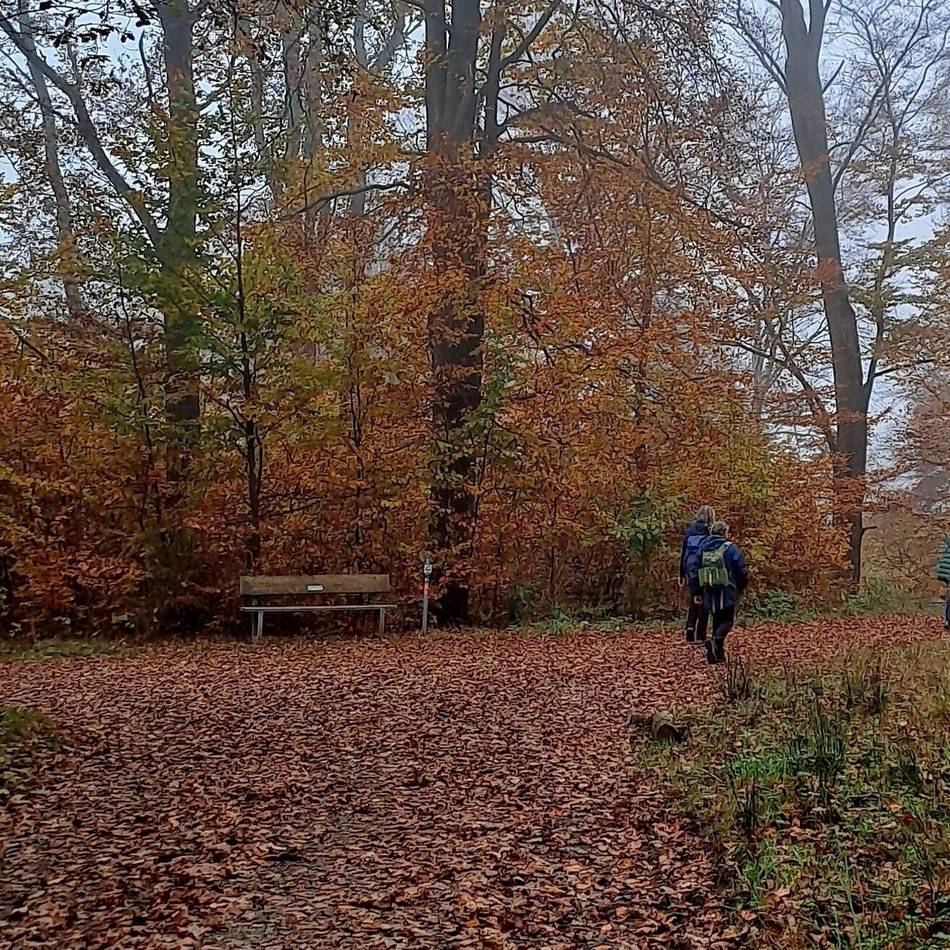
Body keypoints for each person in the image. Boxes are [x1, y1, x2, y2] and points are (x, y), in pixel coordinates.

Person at [697, 521, 749, 665]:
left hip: (710, 591)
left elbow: (696, 568)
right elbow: (741, 568)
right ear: (724, 532)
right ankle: (717, 640)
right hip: (727, 590)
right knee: (727, 621)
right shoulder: (730, 548)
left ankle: (717, 654)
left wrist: (697, 591)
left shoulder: (703, 548)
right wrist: (741, 586)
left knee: (717, 620)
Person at [679, 505, 715, 643]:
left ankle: (690, 626)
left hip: (691, 569)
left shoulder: (690, 531)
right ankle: (700, 634)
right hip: (706, 570)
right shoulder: (710, 532)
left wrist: (682, 573)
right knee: (705, 601)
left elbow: (684, 552)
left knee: (694, 597)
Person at [937, 535, 950, 630]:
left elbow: (943, 562)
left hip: (944, 574)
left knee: (948, 599)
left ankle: (947, 620)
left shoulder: (947, 547)